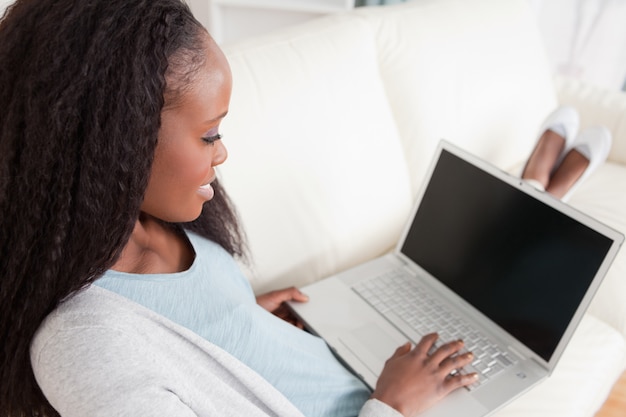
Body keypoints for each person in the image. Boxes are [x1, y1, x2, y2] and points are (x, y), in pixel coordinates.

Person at [0, 1, 611, 417]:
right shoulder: (83, 351)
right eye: (210, 134)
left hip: (349, 362)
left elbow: (189, 336)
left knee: (484, 273)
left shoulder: (152, 219)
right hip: (386, 402)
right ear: (118, 141)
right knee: (531, 276)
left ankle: (544, 174)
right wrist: (392, 405)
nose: (224, 153)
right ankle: (547, 177)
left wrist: (242, 317)